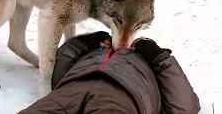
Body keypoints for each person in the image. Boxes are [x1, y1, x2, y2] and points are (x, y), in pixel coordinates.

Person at [19, 31, 201, 114]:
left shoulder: (150, 62)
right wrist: (85, 43)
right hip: (73, 87)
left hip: (122, 93)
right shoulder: (97, 50)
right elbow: (58, 74)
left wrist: (159, 57)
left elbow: (184, 107)